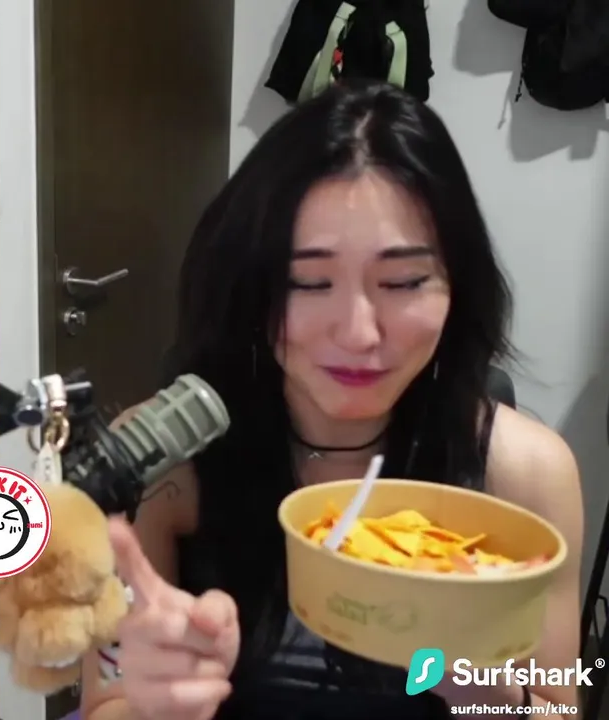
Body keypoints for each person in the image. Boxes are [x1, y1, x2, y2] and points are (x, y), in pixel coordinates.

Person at [79, 81, 583, 720]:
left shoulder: (526, 473)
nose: (359, 333)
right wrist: (157, 704)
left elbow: (557, 706)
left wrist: (476, 684)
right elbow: (107, 700)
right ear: (252, 287)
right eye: (309, 282)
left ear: (458, 287)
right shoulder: (159, 461)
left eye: (403, 281)